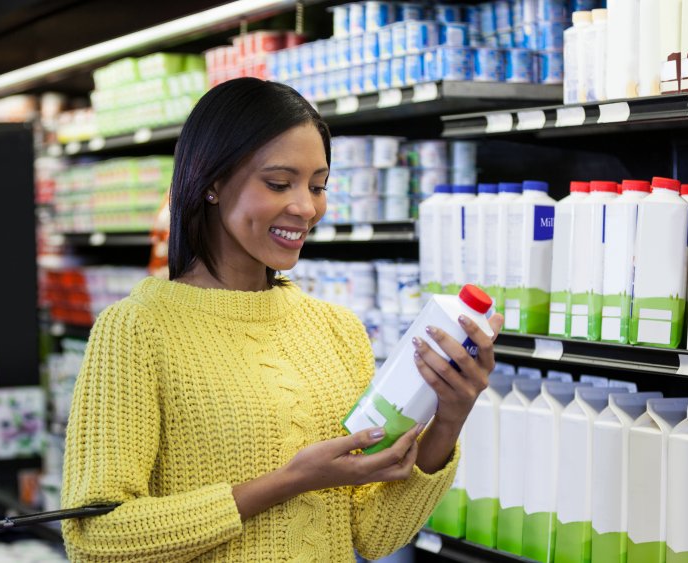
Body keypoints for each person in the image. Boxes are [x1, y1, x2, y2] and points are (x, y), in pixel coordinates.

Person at [60, 77, 503, 562]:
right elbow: (94, 539)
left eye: (318, 186)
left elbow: (373, 536)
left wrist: (448, 418)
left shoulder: (336, 329)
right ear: (211, 182)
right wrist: (291, 481)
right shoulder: (137, 329)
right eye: (278, 183)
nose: (306, 208)